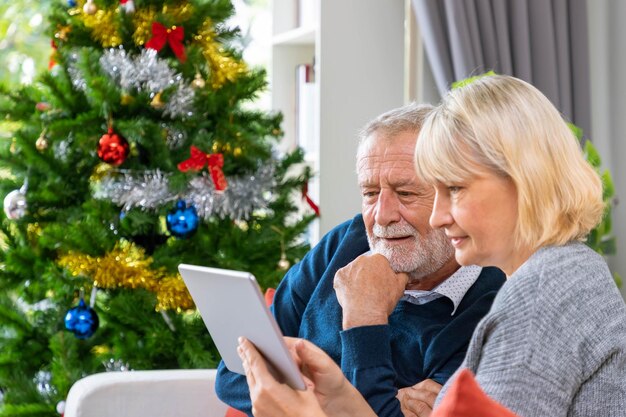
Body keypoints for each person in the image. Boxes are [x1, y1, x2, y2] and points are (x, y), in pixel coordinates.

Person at [236, 75, 626, 417]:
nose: (439, 216)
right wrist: (338, 397)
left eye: (454, 188)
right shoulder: (566, 273)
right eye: (371, 192)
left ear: (523, 180)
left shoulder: (538, 298)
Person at [215, 103, 506, 417]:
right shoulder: (345, 242)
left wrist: (364, 317)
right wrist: (362, 402)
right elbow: (232, 375)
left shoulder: (488, 309)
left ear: (452, 194)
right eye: (370, 192)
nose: (382, 215)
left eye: (406, 193)